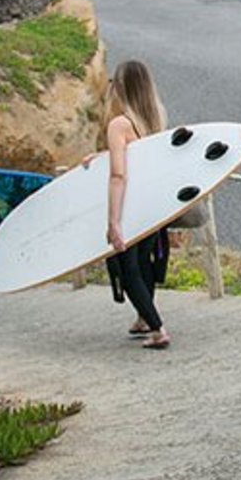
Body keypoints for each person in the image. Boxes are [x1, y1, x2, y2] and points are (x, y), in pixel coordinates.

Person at [85, 60, 171, 349]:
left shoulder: (119, 124)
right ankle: (143, 320)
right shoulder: (156, 117)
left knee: (127, 267)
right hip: (152, 206)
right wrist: (100, 157)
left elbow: (119, 174)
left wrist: (113, 222)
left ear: (120, 88)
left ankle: (158, 330)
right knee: (143, 263)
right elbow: (137, 157)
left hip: (130, 206)